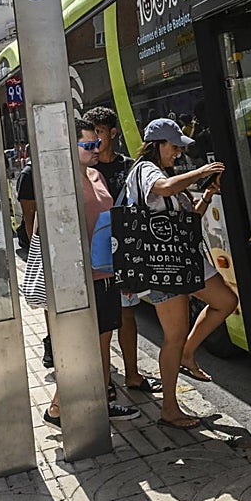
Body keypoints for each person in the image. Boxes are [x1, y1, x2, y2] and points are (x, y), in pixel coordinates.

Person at [126, 118, 237, 429]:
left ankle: (188, 353)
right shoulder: (147, 171)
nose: (177, 153)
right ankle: (170, 408)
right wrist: (201, 171)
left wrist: (206, 196)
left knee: (225, 301)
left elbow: (187, 221)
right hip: (162, 264)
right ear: (157, 145)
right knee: (172, 336)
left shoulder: (166, 173)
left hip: (180, 257)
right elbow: (161, 189)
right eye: (174, 147)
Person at [42, 119, 141, 427]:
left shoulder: (97, 174)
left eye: (95, 142)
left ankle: (93, 401)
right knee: (82, 346)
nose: (96, 148)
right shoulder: (60, 183)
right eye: (87, 145)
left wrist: (122, 272)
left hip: (105, 273)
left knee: (101, 342)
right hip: (78, 278)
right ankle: (63, 407)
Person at [84, 106, 162, 396]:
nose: (96, 140)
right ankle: (104, 382)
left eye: (100, 133)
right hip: (99, 258)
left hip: (126, 252)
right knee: (104, 324)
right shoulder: (87, 171)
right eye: (91, 135)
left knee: (127, 316)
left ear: (113, 133)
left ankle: (132, 374)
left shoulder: (129, 166)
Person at [16, 156, 52, 367]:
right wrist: (37, 254)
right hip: (44, 245)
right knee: (49, 300)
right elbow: (30, 217)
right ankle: (51, 341)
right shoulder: (29, 175)